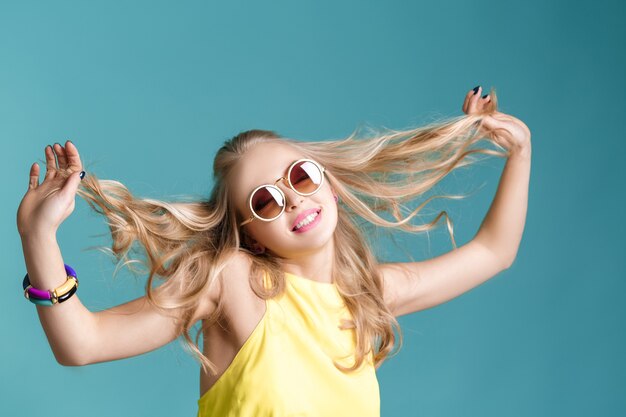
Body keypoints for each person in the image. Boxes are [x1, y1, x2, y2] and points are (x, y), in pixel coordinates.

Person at [17, 85, 531, 416]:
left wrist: (520, 151)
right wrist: (38, 236)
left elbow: (494, 252)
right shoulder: (233, 281)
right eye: (266, 200)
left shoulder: (366, 294)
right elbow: (82, 344)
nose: (294, 200)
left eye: (302, 176)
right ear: (253, 235)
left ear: (328, 185)